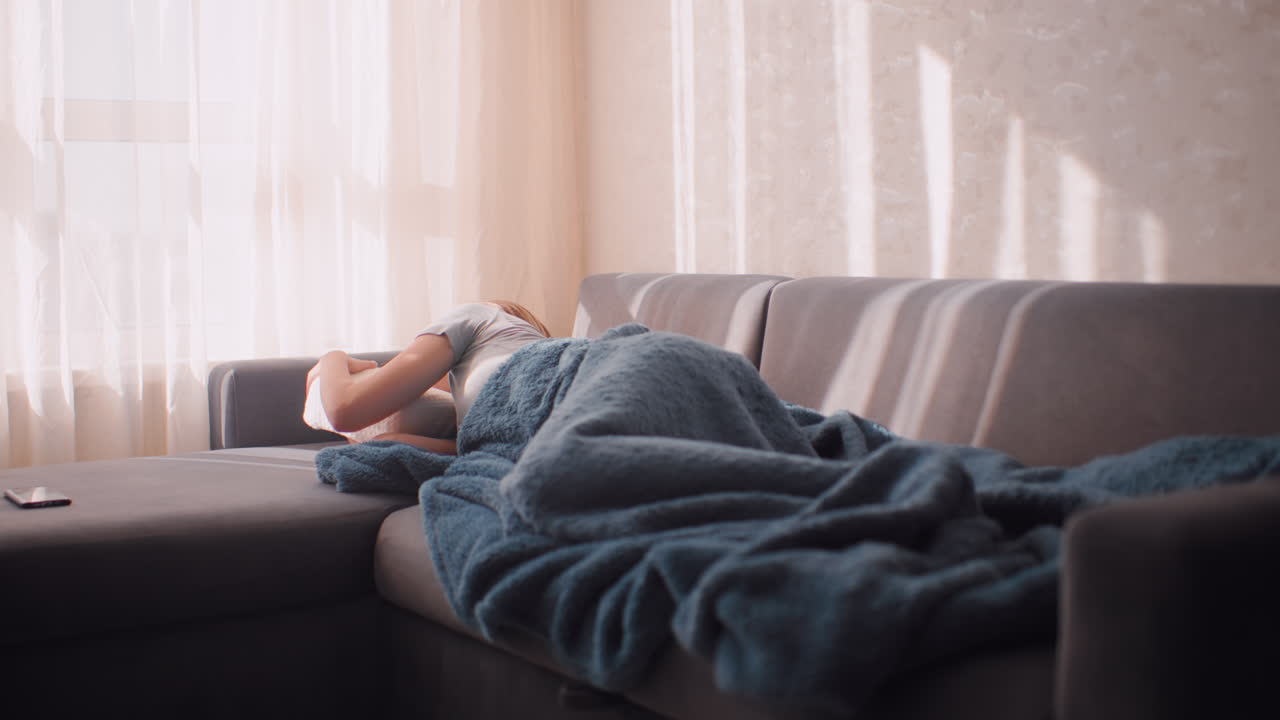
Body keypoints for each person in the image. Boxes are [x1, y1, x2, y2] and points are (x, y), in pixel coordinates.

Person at [306, 300, 551, 455]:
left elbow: (345, 411)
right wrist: (388, 441)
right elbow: (493, 449)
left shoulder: (480, 314)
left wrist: (333, 357)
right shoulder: (487, 426)